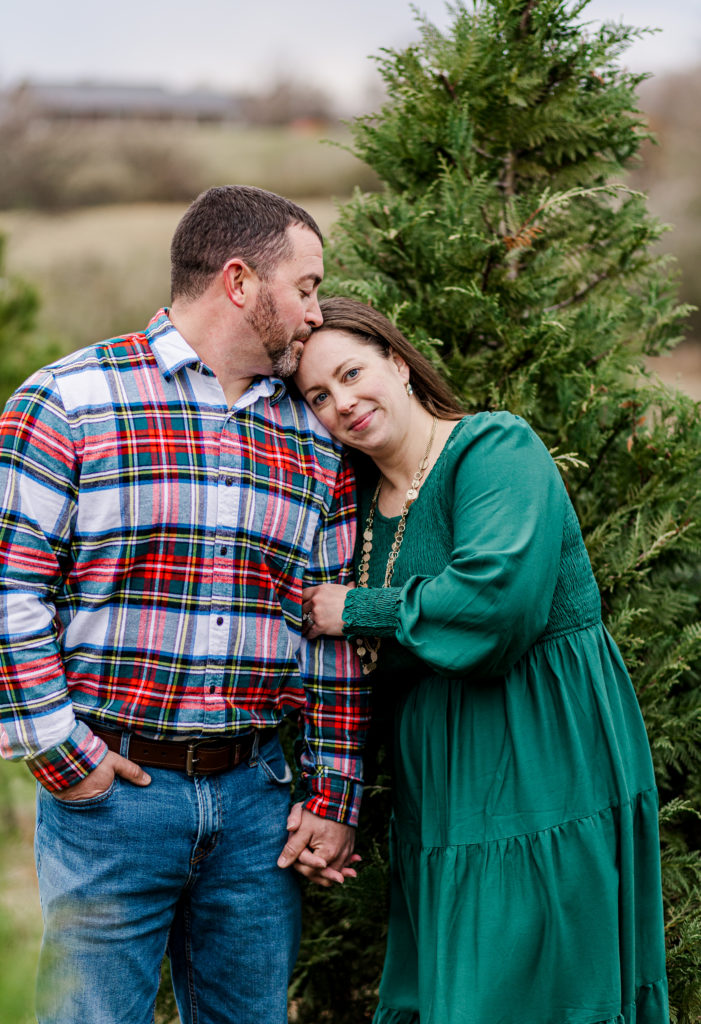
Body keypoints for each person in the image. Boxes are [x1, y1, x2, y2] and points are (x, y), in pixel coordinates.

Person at [0, 187, 370, 1024]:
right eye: (305, 287)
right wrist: (64, 755)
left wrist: (333, 788)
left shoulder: (313, 435)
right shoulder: (68, 402)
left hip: (255, 803)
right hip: (113, 799)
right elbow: (8, 589)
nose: (316, 312)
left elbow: (328, 625)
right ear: (240, 282)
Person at [295, 296, 669, 1024]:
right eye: (317, 395)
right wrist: (330, 804)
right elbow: (362, 679)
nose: (342, 402)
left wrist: (357, 607)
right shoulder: (356, 504)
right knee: (453, 996)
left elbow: (495, 607)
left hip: (540, 757)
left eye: (351, 373)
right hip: (438, 785)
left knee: (537, 991)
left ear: (398, 364)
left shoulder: (494, 448)